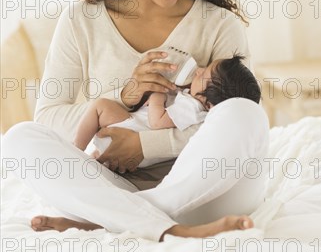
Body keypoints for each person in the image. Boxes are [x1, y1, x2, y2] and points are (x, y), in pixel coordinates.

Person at [2, 0, 269, 242]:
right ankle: (159, 224)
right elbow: (49, 119)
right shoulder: (83, 18)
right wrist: (126, 95)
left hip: (203, 190)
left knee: (245, 114)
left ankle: (126, 218)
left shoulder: (219, 25)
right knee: (20, 138)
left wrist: (145, 148)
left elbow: (228, 128)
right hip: (110, 186)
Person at [74, 55, 262, 169]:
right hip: (135, 139)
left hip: (135, 132)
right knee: (97, 160)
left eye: (204, 75)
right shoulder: (195, 103)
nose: (199, 71)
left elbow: (157, 122)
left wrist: (158, 94)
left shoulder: (193, 108)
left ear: (209, 103)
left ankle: (75, 149)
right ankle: (90, 158)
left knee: (99, 107)